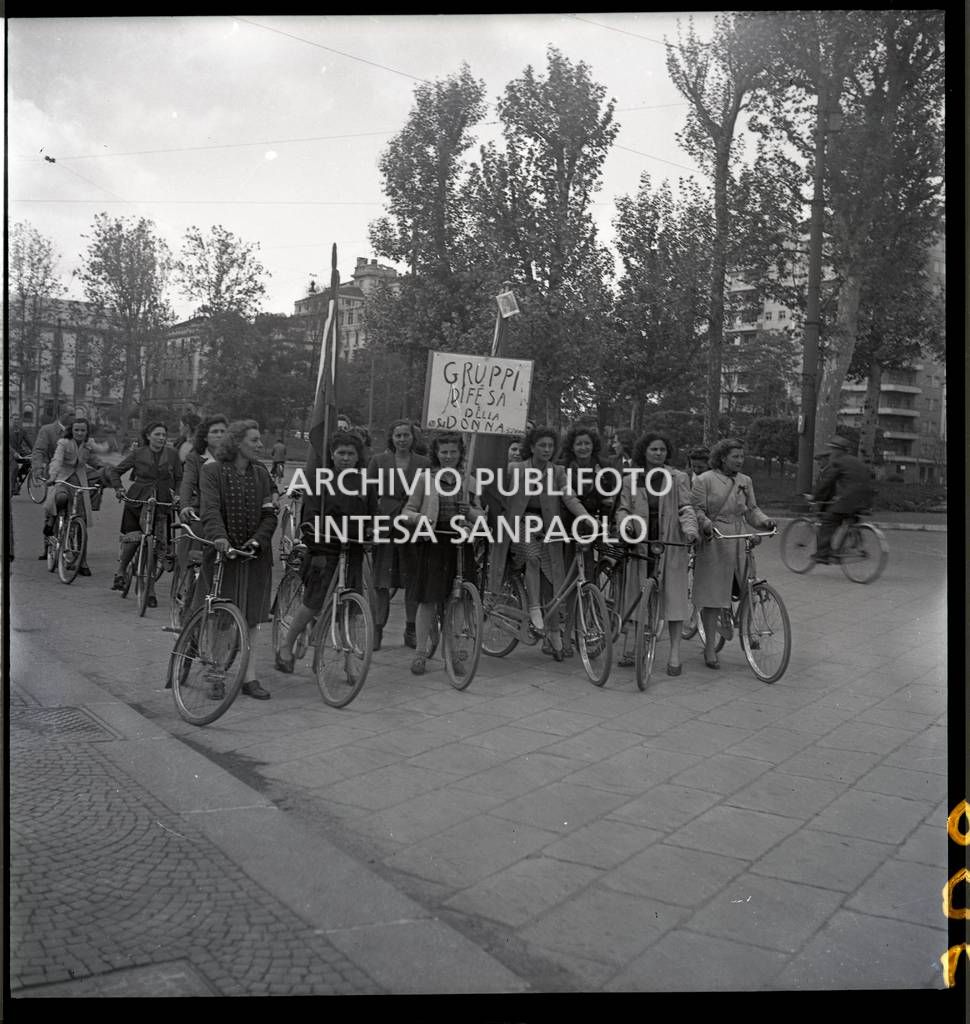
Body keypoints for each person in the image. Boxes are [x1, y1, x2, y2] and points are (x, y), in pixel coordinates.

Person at [275, 430, 378, 674]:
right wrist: (315, 539)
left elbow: (373, 515)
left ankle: (349, 660)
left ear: (358, 457)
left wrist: (373, 533)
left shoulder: (366, 483)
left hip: (352, 549)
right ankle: (286, 645)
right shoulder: (320, 481)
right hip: (324, 549)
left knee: (351, 606)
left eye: (350, 454)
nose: (345, 458)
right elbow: (308, 517)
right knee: (314, 601)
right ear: (331, 455)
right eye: (340, 453)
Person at [488, 425, 586, 660]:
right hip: (519, 524)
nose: (547, 449)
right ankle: (533, 608)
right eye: (542, 445)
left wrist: (585, 517)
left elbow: (569, 497)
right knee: (532, 557)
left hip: (547, 527)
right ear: (531, 447)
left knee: (552, 578)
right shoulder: (515, 469)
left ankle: (553, 633)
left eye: (551, 446)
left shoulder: (558, 471)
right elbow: (495, 487)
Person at [198, 420, 277, 700]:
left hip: (255, 556)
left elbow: (270, 513)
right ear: (237, 442)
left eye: (259, 440)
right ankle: (215, 674)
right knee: (221, 617)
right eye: (254, 440)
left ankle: (249, 676)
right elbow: (210, 509)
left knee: (252, 618)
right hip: (223, 555)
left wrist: (259, 540)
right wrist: (220, 538)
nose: (259, 445)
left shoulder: (261, 474)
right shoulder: (212, 471)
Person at [401, 432, 485, 675]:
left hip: (460, 544)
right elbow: (407, 511)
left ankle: (453, 652)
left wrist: (468, 511)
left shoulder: (468, 480)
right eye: (444, 452)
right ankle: (420, 653)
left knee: (457, 602)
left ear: (461, 454)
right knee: (428, 600)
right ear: (436, 454)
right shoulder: (426, 479)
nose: (448, 456)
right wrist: (421, 519)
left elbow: (480, 516)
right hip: (434, 542)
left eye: (453, 452)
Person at [615, 433, 699, 674]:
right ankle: (633, 647)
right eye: (654, 449)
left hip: (669, 542)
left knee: (674, 598)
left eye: (662, 449)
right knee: (637, 595)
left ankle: (674, 653)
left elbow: (685, 507)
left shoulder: (678, 477)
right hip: (640, 542)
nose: (659, 453)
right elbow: (622, 508)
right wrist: (625, 524)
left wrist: (690, 531)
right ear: (644, 451)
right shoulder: (632, 478)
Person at [691, 437, 775, 669]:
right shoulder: (704, 480)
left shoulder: (745, 481)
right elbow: (695, 509)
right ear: (722, 457)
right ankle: (709, 648)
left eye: (742, 456)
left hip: (739, 537)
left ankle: (749, 630)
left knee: (748, 585)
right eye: (735, 456)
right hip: (716, 539)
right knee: (713, 595)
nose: (740, 460)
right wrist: (707, 525)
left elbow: (751, 510)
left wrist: (765, 522)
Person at [366, 419, 430, 650]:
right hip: (385, 526)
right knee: (382, 582)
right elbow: (369, 493)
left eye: (406, 435)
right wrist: (371, 523)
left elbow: (429, 495)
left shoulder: (424, 463)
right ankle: (377, 628)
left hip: (412, 527)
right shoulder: (379, 461)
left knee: (412, 580)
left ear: (414, 438)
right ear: (391, 438)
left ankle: (411, 628)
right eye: (398, 435)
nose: (402, 439)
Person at [106, 421, 183, 605]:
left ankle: (150, 589)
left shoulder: (172, 455)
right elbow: (116, 472)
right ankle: (121, 570)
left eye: (164, 435)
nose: (161, 438)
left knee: (155, 544)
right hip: (139, 499)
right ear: (148, 436)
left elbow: (180, 477)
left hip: (162, 502)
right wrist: (119, 489)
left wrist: (178, 494)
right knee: (135, 537)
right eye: (157, 434)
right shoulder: (138, 453)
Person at [556, 425, 615, 658]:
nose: (583, 447)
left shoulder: (603, 468)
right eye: (579, 443)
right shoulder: (563, 469)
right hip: (567, 526)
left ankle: (583, 632)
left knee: (587, 580)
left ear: (593, 446)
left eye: (587, 443)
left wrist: (605, 520)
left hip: (592, 528)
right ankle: (565, 634)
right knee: (569, 582)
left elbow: (609, 498)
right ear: (572, 446)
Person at [43, 417, 106, 577]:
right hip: (63, 478)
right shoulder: (63, 443)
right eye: (76, 429)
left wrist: (101, 467)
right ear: (72, 430)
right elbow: (57, 460)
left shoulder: (87, 445)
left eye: (82, 430)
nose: (79, 433)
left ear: (87, 432)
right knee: (61, 497)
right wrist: (52, 476)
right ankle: (53, 518)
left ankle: (82, 561)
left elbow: (91, 459)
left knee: (82, 520)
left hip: (80, 479)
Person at [808, 435, 875, 564]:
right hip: (866, 500)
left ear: (839, 450)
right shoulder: (857, 462)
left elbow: (827, 482)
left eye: (833, 449)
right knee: (848, 519)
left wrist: (815, 496)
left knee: (828, 521)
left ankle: (822, 554)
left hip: (849, 499)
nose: (831, 452)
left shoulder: (839, 462)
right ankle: (846, 545)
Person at [177, 414, 229, 572]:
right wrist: (185, 506)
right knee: (192, 552)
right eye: (215, 432)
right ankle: (186, 585)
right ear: (205, 437)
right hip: (202, 511)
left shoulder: (233, 458)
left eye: (223, 431)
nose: (219, 435)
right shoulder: (194, 458)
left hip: (227, 513)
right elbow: (187, 482)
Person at [30, 407, 73, 558]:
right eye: (70, 414)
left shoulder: (76, 430)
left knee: (76, 510)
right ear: (60, 415)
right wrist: (37, 468)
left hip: (73, 475)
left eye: (75, 415)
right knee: (51, 509)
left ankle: (75, 546)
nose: (73, 417)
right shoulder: (47, 430)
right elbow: (39, 451)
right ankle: (47, 547)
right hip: (54, 474)